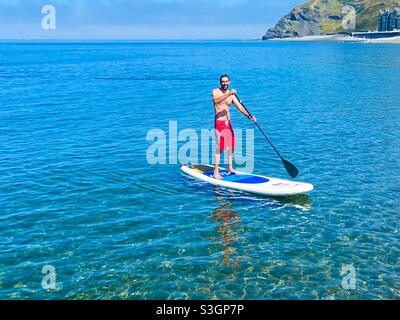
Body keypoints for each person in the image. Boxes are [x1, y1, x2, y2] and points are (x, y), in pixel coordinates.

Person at [212, 75, 256, 180]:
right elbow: (216, 101)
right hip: (219, 123)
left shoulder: (231, 96)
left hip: (228, 123)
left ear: (229, 82)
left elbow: (239, 107)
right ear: (220, 82)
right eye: (223, 81)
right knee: (220, 148)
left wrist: (249, 116)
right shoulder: (215, 92)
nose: (224, 83)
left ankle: (230, 168)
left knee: (231, 146)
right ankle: (215, 171)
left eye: (226, 81)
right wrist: (228, 94)